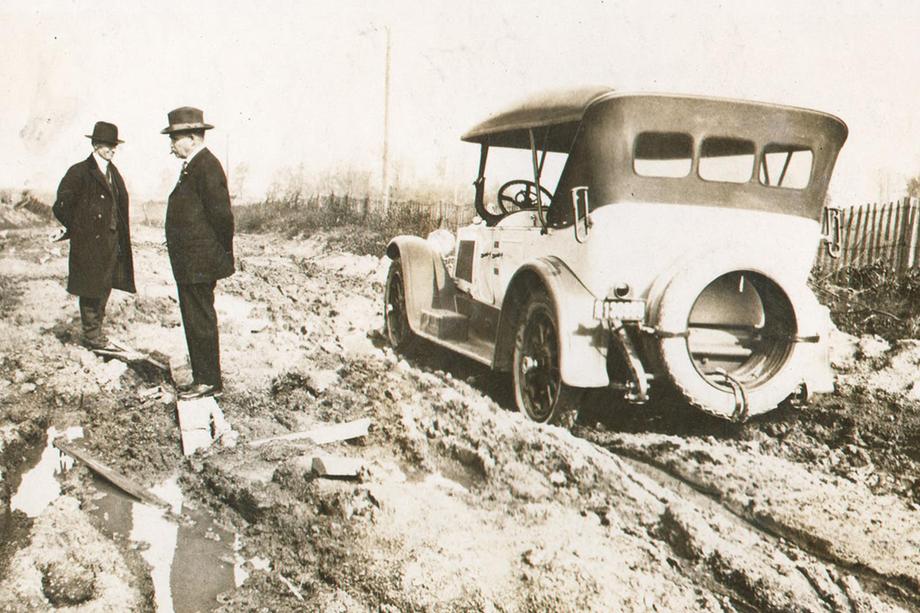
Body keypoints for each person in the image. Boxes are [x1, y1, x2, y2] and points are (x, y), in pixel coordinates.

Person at [161, 107, 235, 400]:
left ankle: (207, 381)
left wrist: (216, 255)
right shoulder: (194, 165)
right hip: (192, 261)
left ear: (191, 137)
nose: (171, 145)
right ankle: (202, 377)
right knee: (193, 318)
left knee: (200, 318)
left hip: (199, 262)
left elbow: (222, 218)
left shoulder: (207, 166)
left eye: (175, 138)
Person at [52, 121, 135, 350]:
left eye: (114, 145)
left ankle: (95, 332)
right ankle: (91, 335)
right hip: (89, 243)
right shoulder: (80, 171)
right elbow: (61, 206)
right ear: (96, 144)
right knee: (91, 287)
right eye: (108, 145)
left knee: (104, 286)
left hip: (111, 240)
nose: (112, 149)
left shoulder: (113, 172)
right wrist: (78, 229)